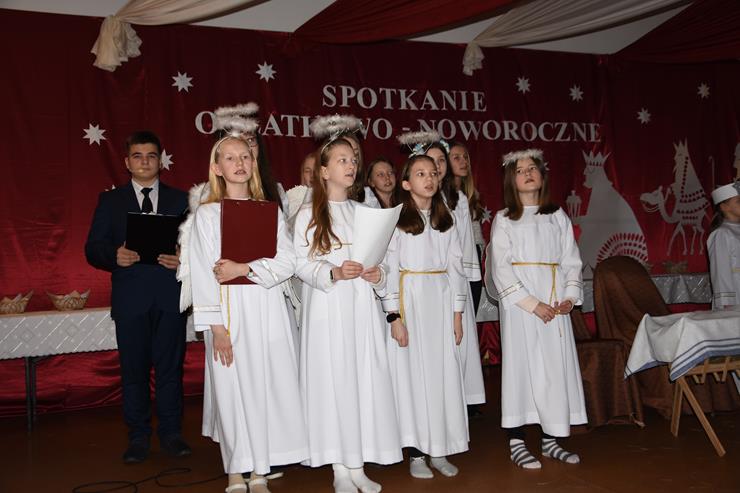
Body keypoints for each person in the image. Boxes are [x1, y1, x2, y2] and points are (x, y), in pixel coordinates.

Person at [188, 135, 308, 493]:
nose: (239, 163)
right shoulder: (207, 214)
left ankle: (260, 468)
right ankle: (236, 469)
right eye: (230, 158)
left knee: (266, 385)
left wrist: (244, 268)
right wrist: (217, 328)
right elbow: (202, 272)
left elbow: (288, 261)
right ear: (216, 167)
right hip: (228, 310)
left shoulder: (268, 211)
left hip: (266, 305)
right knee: (232, 389)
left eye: (245, 156)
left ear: (254, 164)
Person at [294, 136, 402, 493]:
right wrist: (334, 272)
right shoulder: (309, 214)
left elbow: (384, 262)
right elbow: (300, 264)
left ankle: (357, 465)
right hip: (328, 309)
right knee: (334, 381)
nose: (351, 165)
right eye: (341, 160)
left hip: (360, 309)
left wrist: (378, 274)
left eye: (353, 159)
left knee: (360, 381)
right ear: (324, 171)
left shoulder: (364, 213)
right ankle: (339, 467)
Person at [85, 130, 190, 463]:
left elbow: (200, 247)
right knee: (133, 372)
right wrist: (113, 255)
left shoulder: (183, 200)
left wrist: (184, 258)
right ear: (127, 162)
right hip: (131, 299)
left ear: (161, 161)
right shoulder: (110, 201)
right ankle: (138, 437)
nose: (145, 162)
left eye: (151, 156)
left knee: (171, 370)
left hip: (170, 297)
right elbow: (93, 248)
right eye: (138, 156)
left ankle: (172, 434)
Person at [488, 149, 587, 469]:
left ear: (542, 176)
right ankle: (517, 440)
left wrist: (569, 297)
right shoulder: (504, 219)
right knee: (521, 368)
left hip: (554, 303)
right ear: (511, 180)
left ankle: (550, 439)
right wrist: (532, 304)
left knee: (554, 369)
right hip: (522, 307)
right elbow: (501, 268)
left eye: (533, 168)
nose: (528, 173)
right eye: (520, 170)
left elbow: (571, 260)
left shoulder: (557, 216)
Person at [382, 154, 469, 480]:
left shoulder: (446, 220)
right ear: (406, 183)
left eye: (433, 173)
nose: (429, 178)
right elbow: (389, 269)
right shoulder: (396, 221)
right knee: (414, 379)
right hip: (411, 303)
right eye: (420, 174)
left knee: (442, 376)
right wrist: (394, 316)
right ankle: (417, 452)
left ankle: (440, 448)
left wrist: (457, 314)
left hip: (440, 301)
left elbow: (456, 267)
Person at [426, 141, 486, 410]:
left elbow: (465, 247)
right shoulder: (414, 200)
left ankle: (460, 401)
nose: (437, 166)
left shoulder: (457, 199)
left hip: (456, 280)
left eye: (441, 160)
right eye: (431, 161)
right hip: (426, 283)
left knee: (457, 340)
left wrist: (470, 282)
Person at [449, 141, 486, 313]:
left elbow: (475, 233)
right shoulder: (439, 196)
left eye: (465, 157)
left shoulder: (471, 194)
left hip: (472, 259)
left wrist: (477, 252)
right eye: (456, 158)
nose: (463, 162)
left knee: (471, 313)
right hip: (453, 261)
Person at [707, 181, 740, 310]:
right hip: (735, 297)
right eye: (739, 201)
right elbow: (720, 271)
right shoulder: (721, 233)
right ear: (724, 207)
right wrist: (726, 303)